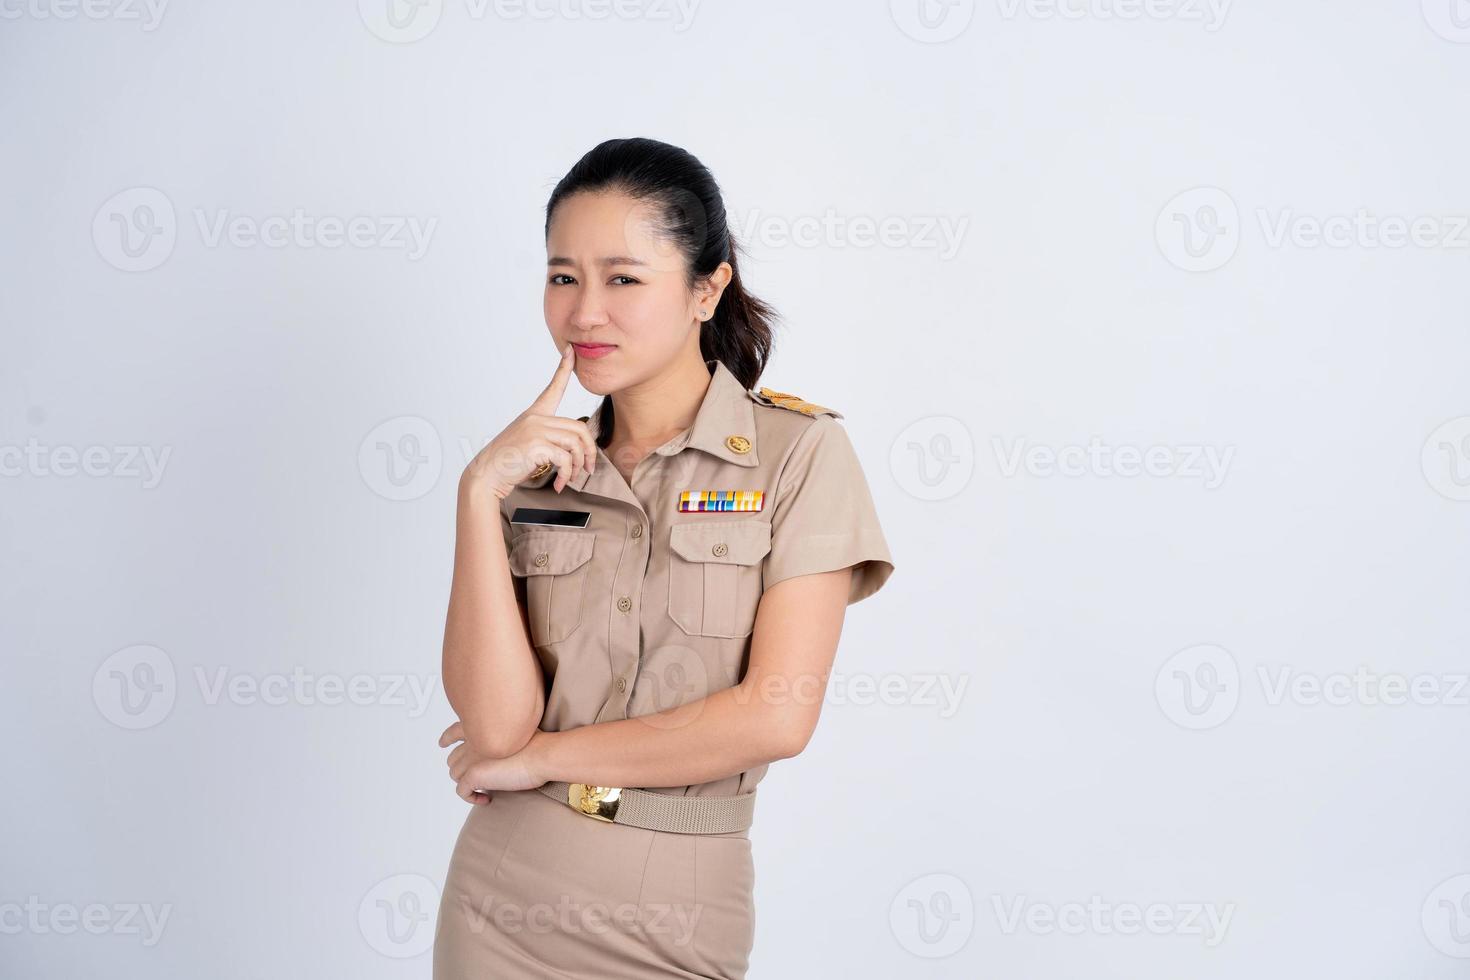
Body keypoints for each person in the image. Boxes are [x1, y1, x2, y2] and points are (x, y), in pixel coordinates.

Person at [432, 137, 896, 979]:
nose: (583, 314)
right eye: (562, 276)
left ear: (706, 287)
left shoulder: (797, 455)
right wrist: (474, 492)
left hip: (678, 908)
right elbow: (496, 728)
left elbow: (775, 718)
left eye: (623, 278)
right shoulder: (533, 476)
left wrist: (542, 757)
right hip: (499, 896)